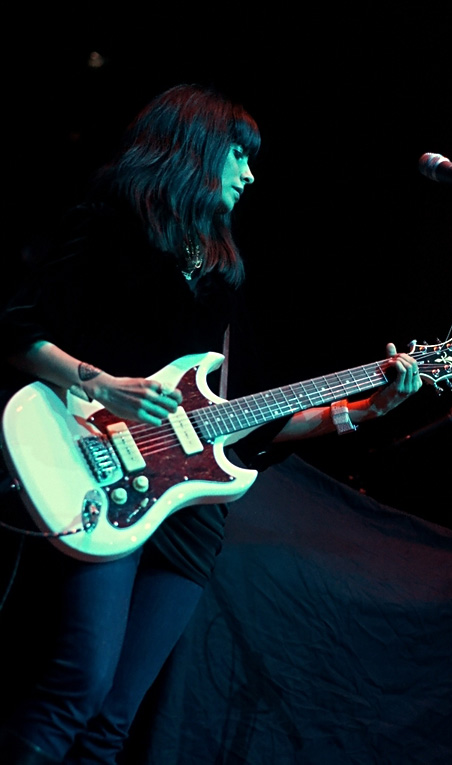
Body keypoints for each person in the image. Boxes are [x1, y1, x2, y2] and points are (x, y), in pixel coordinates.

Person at [0, 82, 422, 764]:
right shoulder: (112, 225)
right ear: (198, 147)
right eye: (239, 155)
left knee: (113, 721)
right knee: (76, 688)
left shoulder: (223, 272)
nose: (251, 173)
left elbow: (247, 424)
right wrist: (103, 381)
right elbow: (19, 329)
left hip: (193, 510)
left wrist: (368, 409)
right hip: (100, 465)